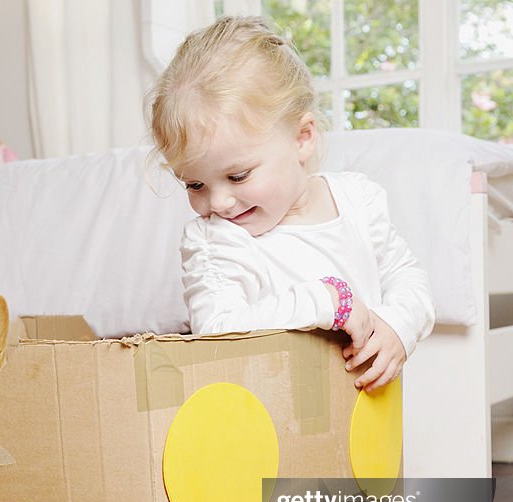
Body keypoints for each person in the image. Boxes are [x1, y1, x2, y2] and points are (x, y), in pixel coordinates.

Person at [147, 16, 435, 392]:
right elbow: (216, 332)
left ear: (302, 138)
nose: (218, 202)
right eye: (195, 183)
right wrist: (326, 301)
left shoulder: (358, 201)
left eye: (238, 176)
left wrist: (398, 325)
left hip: (366, 418)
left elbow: (407, 277)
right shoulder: (214, 240)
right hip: (270, 427)